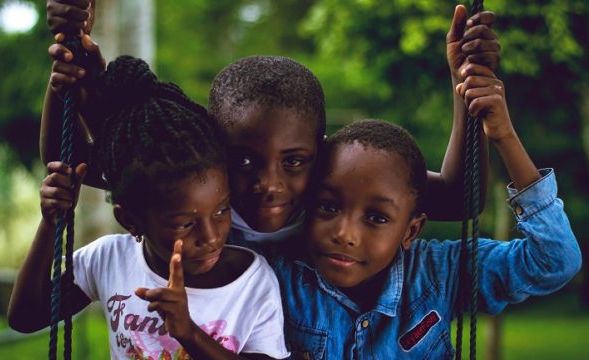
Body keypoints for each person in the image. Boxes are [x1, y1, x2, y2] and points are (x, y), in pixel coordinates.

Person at [39, 3, 499, 247]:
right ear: (216, 147)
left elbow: (462, 199)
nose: (268, 184)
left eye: (295, 161)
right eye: (243, 159)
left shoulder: (334, 183)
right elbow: (73, 162)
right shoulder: (190, 184)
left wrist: (466, 92)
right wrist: (69, 75)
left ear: (319, 151)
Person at [271, 64, 582, 358]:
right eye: (328, 207)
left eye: (376, 218)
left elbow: (553, 261)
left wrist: (503, 135)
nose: (344, 234)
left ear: (410, 231)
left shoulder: (439, 273)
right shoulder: (279, 278)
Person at [8, 56, 290, 360]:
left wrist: (189, 333)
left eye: (221, 210)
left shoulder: (251, 282)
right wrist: (51, 223)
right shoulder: (110, 260)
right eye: (184, 224)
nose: (211, 236)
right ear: (130, 221)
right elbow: (26, 317)